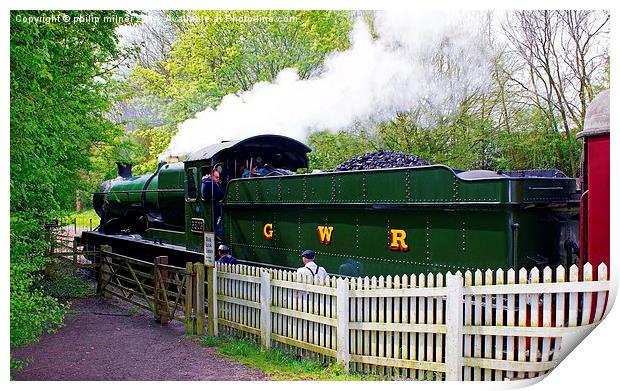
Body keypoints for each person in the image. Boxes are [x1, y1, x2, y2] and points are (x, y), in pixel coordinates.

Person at [201, 167, 225, 238]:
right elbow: (221, 193)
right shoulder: (208, 184)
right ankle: (219, 235)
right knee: (218, 224)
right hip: (213, 209)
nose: (218, 179)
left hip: (214, 207)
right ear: (211, 176)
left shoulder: (210, 182)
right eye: (216, 177)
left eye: (218, 177)